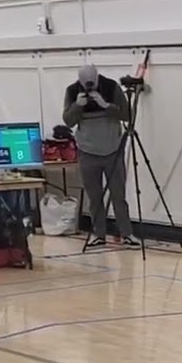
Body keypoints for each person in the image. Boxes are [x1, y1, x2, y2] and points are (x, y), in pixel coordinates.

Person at [64, 63, 139, 248]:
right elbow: (68, 121)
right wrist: (77, 106)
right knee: (94, 195)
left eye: (93, 83)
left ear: (98, 77)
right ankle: (99, 234)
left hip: (112, 149)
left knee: (118, 195)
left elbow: (127, 115)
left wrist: (106, 105)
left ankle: (126, 233)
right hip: (87, 152)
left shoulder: (111, 87)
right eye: (86, 84)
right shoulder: (72, 91)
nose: (90, 88)